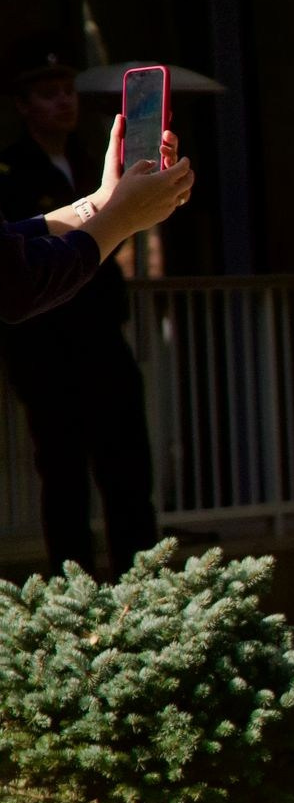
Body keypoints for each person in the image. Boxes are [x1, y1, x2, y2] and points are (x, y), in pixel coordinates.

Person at [0, 39, 188, 574]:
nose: (63, 102)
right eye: (47, 93)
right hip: (45, 348)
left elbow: (29, 235)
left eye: (68, 91)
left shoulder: (90, 157)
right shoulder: (10, 170)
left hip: (103, 338)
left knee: (129, 473)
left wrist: (110, 206)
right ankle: (76, 606)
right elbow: (16, 269)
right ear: (22, 106)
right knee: (64, 482)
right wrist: (120, 218)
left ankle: (144, 597)